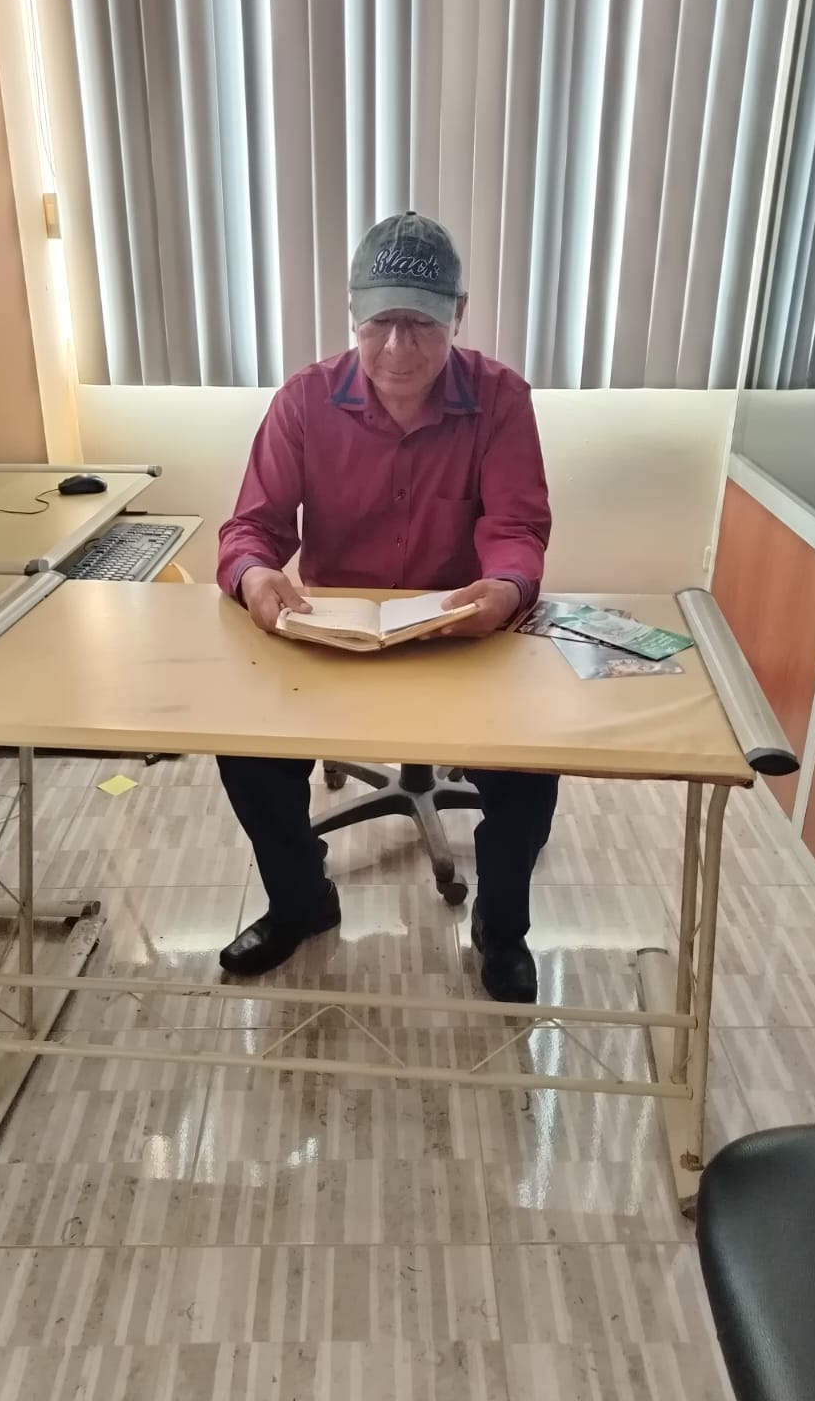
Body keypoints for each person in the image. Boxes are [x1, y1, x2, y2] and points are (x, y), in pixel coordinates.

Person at [215, 211, 558, 1002]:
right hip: (331, 644)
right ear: (353, 316)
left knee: (531, 770)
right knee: (246, 753)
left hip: (460, 640)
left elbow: (517, 530)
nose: (399, 348)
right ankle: (302, 901)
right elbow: (251, 528)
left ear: (458, 315)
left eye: (422, 324)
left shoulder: (502, 400)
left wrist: (506, 588)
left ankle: (501, 927)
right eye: (380, 323)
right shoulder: (304, 400)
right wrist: (255, 576)